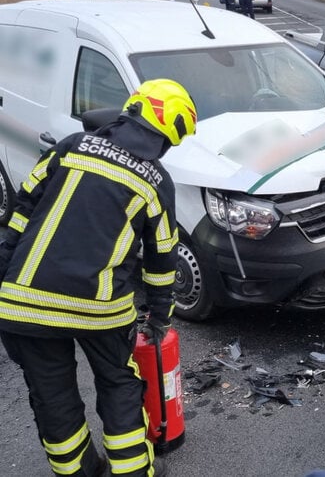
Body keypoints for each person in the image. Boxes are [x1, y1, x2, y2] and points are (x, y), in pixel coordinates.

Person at [0, 79, 197, 475]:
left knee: (52, 396)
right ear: (165, 139)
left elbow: (24, 205)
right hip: (100, 308)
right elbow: (162, 258)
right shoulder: (155, 181)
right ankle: (131, 471)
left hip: (25, 301)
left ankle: (80, 471)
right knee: (119, 384)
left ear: (132, 110)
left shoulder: (71, 146)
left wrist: (7, 264)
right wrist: (160, 315)